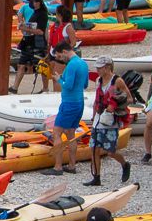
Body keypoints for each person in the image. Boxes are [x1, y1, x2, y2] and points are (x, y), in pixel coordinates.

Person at [85, 57, 132, 186]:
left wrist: (115, 105)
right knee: (94, 148)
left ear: (107, 67)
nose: (97, 70)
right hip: (99, 118)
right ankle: (97, 177)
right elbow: (96, 100)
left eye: (100, 68)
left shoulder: (118, 81)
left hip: (111, 121)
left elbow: (129, 98)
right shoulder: (98, 80)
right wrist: (93, 117)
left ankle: (125, 164)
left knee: (110, 151)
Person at [48, 42, 88, 174]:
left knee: (57, 133)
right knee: (71, 134)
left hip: (69, 103)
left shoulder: (71, 65)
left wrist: (59, 79)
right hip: (79, 102)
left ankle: (57, 167)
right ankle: (72, 165)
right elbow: (85, 84)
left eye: (60, 56)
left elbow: (68, 85)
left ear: (65, 52)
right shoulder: (83, 63)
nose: (60, 59)